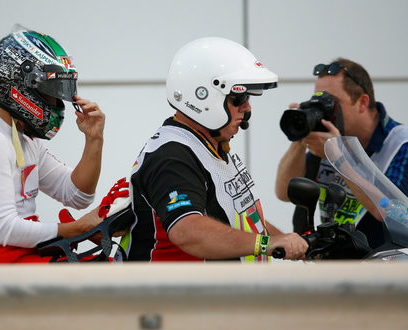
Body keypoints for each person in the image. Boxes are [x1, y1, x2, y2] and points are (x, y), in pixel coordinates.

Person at [119, 37, 308, 262]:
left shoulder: (210, 146)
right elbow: (187, 230)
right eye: (238, 97)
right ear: (202, 95)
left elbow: (241, 218)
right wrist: (268, 244)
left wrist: (293, 242)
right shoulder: (172, 156)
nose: (247, 107)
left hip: (218, 294)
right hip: (172, 295)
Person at [0, 25, 105, 263]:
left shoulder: (21, 137)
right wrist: (76, 229)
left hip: (16, 252)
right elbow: (4, 229)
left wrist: (94, 139)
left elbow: (77, 195)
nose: (57, 102)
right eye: (50, 91)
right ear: (20, 85)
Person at [275, 58, 408, 249]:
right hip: (336, 265)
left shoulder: (400, 144)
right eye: (318, 101)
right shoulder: (327, 138)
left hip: (385, 268)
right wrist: (300, 137)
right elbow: (283, 192)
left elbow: (390, 211)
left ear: (362, 102)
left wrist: (339, 158)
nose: (324, 112)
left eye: (331, 103)